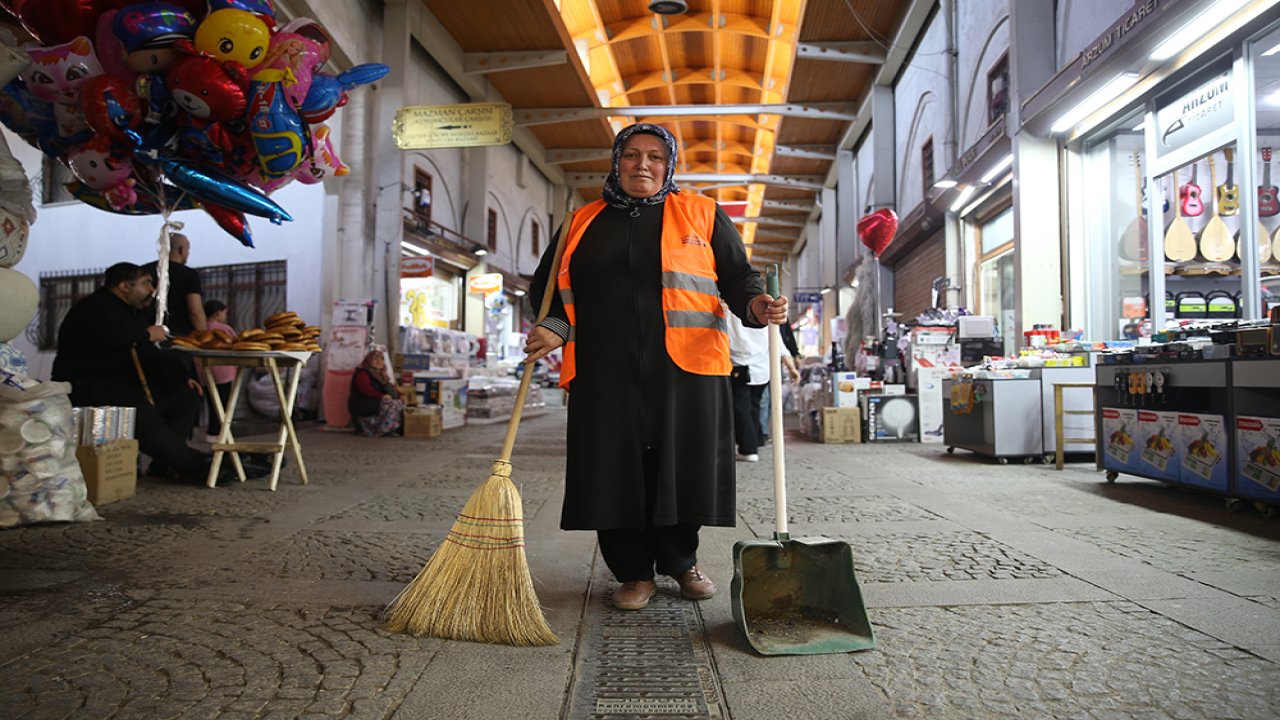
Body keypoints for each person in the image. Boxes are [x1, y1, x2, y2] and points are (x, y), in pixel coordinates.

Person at [525, 123, 789, 612]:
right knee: (614, 467)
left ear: (669, 166)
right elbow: (547, 293)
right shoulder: (580, 222)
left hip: (686, 367)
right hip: (604, 369)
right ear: (615, 161)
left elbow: (738, 280)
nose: (641, 165)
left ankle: (680, 562)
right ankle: (631, 573)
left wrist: (757, 308)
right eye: (630, 155)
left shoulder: (702, 214)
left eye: (653, 157)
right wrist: (554, 330)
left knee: (680, 464)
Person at [51, 262, 264, 484]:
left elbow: (148, 354)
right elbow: (116, 337)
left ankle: (164, 464)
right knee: (143, 416)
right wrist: (146, 334)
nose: (151, 290)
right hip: (91, 387)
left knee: (186, 396)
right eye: (145, 283)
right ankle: (196, 465)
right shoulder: (95, 307)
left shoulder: (130, 312)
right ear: (124, 286)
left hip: (123, 384)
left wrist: (181, 378)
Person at [726, 301, 768, 463]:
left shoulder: (731, 311)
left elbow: (731, 340)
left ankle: (748, 448)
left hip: (741, 365)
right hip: (762, 367)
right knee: (753, 406)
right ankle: (756, 440)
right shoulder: (765, 312)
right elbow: (775, 340)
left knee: (741, 408)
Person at [142, 232, 206, 339]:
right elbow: (195, 311)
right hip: (180, 337)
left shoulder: (144, 271)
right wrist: (203, 336)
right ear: (181, 250)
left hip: (148, 333)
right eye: (188, 249)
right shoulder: (189, 274)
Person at [201, 299, 236, 442]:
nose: (225, 315)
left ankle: (211, 432)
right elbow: (235, 343)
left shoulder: (201, 328)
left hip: (205, 373)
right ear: (217, 313)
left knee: (211, 402)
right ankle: (222, 433)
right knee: (224, 404)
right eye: (224, 312)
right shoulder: (224, 329)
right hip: (224, 372)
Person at [348, 350, 404, 437]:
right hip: (363, 403)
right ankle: (381, 430)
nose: (379, 362)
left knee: (399, 403)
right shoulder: (363, 372)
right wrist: (382, 396)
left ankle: (391, 428)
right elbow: (365, 389)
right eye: (375, 359)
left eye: (381, 359)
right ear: (369, 360)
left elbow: (390, 387)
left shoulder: (382, 374)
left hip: (375, 402)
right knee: (391, 404)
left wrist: (399, 395)